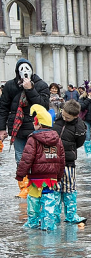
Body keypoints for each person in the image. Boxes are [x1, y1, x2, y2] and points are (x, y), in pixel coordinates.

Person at [0, 58, 50, 198]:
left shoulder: (41, 85)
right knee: (20, 158)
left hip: (36, 128)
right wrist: (2, 128)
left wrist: (30, 89)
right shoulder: (10, 86)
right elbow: (3, 107)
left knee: (37, 158)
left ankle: (38, 186)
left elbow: (43, 106)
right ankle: (24, 188)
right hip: (18, 128)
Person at [16, 104, 65, 231]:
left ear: (39, 124)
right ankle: (48, 224)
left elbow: (26, 158)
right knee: (49, 200)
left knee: (33, 200)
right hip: (50, 178)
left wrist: (20, 174)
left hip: (36, 178)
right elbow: (61, 159)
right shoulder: (57, 139)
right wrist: (59, 176)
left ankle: (33, 222)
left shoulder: (33, 139)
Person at [52, 99, 87, 224]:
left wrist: (69, 149)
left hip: (68, 161)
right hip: (53, 160)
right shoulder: (56, 118)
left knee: (69, 189)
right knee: (54, 189)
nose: (65, 118)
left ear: (76, 116)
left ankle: (71, 215)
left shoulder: (80, 126)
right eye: (64, 115)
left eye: (68, 117)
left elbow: (80, 142)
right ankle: (53, 217)